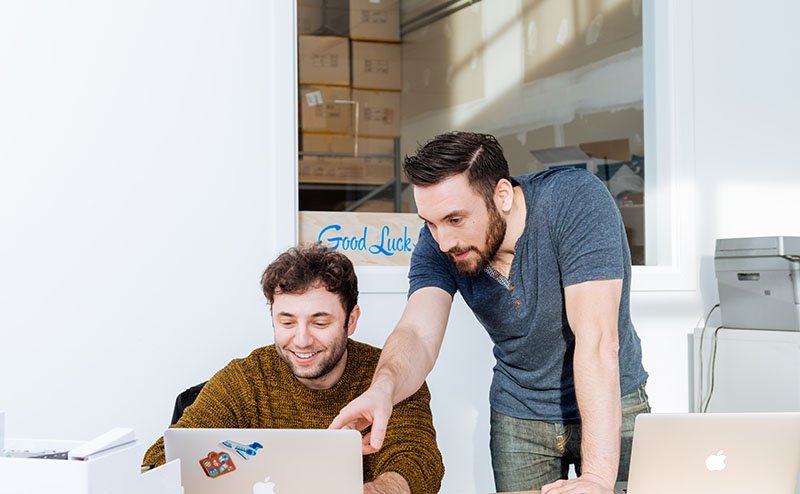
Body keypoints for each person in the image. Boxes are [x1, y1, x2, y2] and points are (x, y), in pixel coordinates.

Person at [330, 132, 650, 494]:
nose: (444, 241)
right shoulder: (437, 243)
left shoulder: (574, 201)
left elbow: (596, 339)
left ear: (501, 195)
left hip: (614, 405)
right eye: (430, 223)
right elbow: (417, 332)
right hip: (520, 414)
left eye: (455, 219)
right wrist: (382, 390)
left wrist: (596, 478)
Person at [144, 244, 444, 494]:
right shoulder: (246, 380)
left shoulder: (391, 377)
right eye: (287, 322)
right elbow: (159, 462)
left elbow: (416, 463)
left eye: (320, 322)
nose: (301, 340)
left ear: (350, 321)